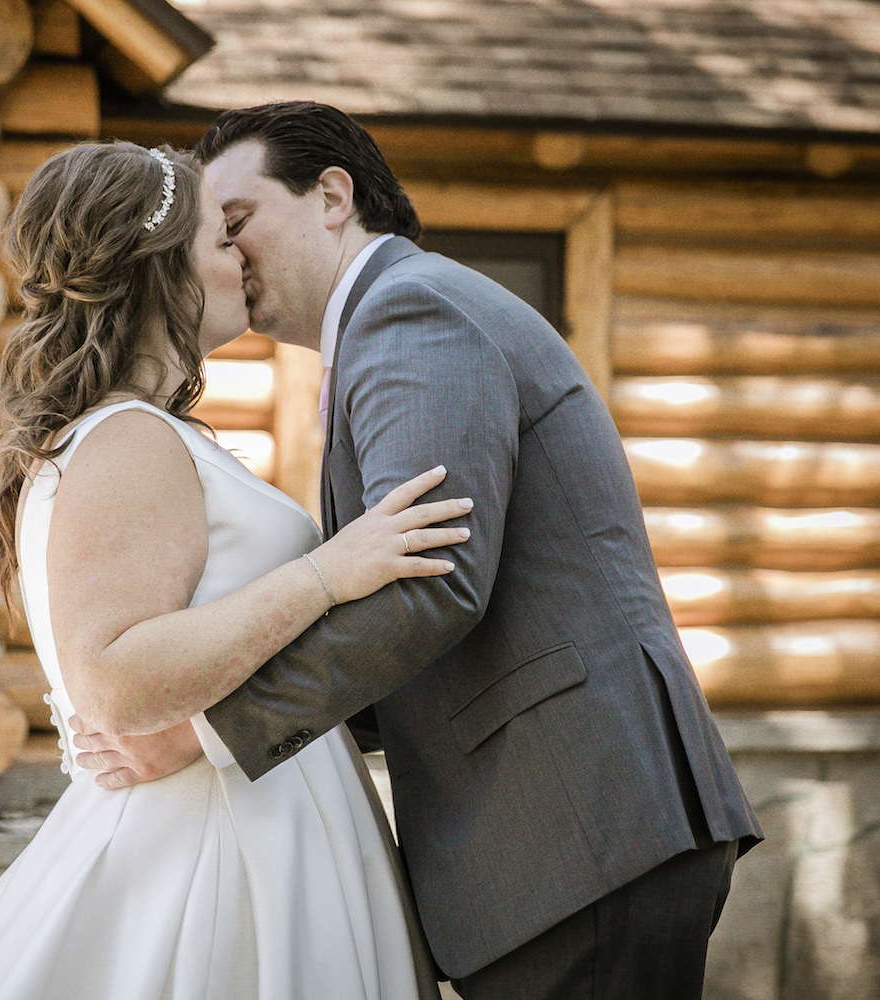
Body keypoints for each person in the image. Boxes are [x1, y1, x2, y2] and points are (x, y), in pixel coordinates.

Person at [71, 103, 763, 999]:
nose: (229, 256)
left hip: (576, 827)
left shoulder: (410, 309)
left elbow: (431, 587)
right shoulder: (386, 324)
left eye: (238, 223)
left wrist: (206, 733)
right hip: (563, 836)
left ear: (331, 195)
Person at [0, 140, 472, 1000]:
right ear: (162, 271)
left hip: (267, 816)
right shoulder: (125, 440)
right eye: (221, 239)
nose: (241, 258)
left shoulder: (139, 434)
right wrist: (327, 575)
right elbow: (117, 679)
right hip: (218, 851)